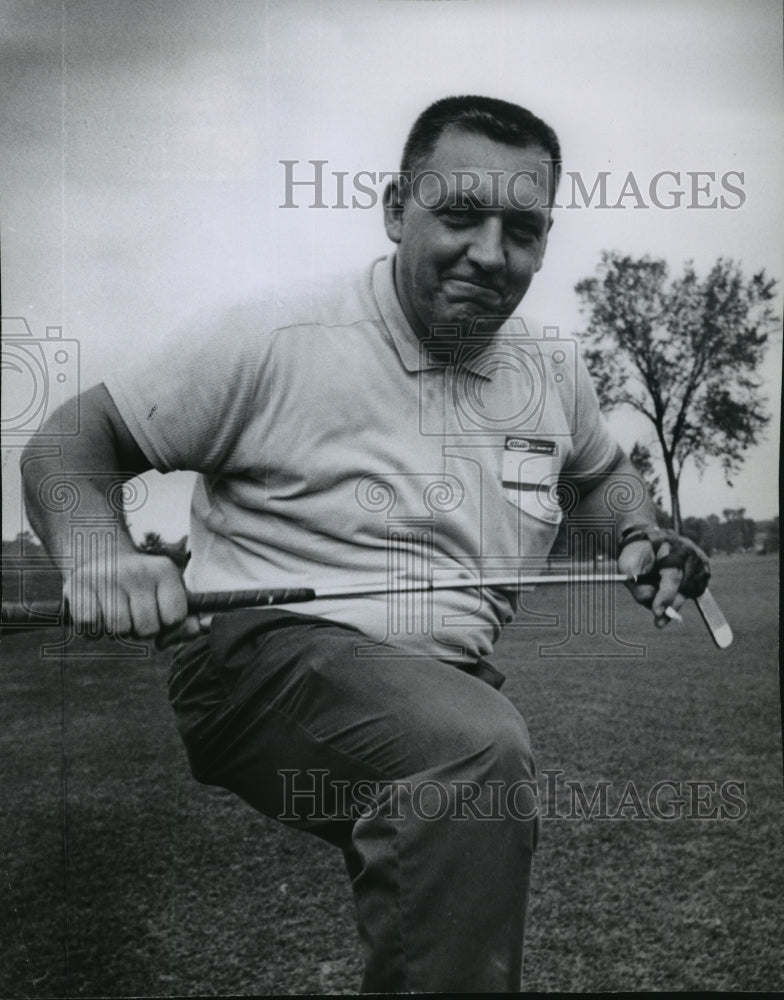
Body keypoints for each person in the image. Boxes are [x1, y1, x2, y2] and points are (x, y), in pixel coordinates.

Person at [22, 95, 710, 993]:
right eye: (459, 215)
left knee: (453, 822)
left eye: (523, 229)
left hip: (432, 680)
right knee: (469, 755)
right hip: (256, 660)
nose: (491, 254)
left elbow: (605, 470)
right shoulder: (276, 337)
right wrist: (97, 551)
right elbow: (69, 442)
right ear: (395, 210)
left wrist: (638, 534)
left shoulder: (553, 368)